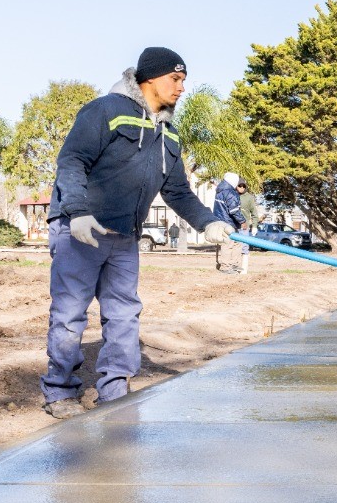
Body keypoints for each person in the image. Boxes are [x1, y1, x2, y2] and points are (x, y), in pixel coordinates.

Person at [40, 47, 235, 418]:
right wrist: (77, 212)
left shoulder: (170, 134)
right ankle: (60, 391)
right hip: (82, 230)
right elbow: (72, 160)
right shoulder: (106, 111)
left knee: (124, 313)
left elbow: (177, 191)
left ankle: (114, 392)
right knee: (70, 313)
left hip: (124, 236)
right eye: (174, 79)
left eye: (183, 80)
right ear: (149, 78)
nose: (181, 88)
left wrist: (208, 222)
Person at [213, 171, 249, 273]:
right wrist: (243, 222)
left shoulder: (220, 191)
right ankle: (226, 267)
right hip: (228, 223)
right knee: (228, 244)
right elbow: (234, 211)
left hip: (223, 222)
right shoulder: (230, 193)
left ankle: (234, 265)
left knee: (237, 243)